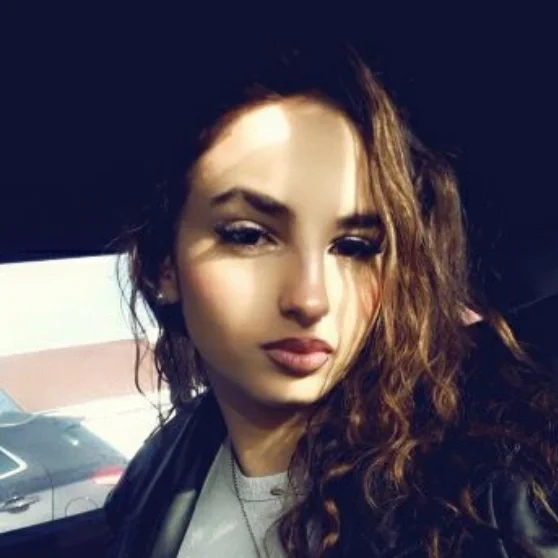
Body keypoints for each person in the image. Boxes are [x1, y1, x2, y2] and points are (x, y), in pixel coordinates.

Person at [104, 38, 558, 557]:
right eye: (249, 236)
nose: (311, 299)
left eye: (355, 246)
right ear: (164, 266)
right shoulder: (152, 479)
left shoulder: (496, 492)